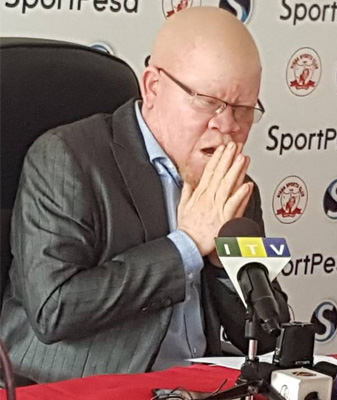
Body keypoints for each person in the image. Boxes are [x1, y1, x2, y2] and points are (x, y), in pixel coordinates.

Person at [0, 7, 289, 384]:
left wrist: (223, 266)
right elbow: (53, 309)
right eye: (208, 102)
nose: (227, 125)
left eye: (243, 109)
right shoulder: (67, 158)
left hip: (198, 384)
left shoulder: (233, 188)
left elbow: (270, 334)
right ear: (153, 87)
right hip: (74, 385)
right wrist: (187, 246)